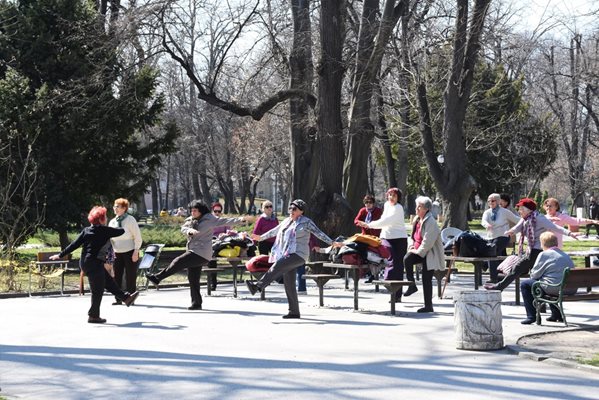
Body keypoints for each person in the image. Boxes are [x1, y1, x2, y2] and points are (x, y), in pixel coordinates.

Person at [146, 200, 252, 310]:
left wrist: (241, 219)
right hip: (193, 250)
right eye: (191, 210)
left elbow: (225, 220)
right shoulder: (191, 220)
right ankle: (196, 303)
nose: (192, 212)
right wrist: (189, 231)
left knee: (178, 261)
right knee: (193, 278)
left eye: (195, 211)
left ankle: (157, 278)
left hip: (202, 253)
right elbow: (183, 228)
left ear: (201, 211)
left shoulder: (210, 219)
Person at [246, 199, 342, 319]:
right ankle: (294, 312)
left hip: (299, 254)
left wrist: (332, 242)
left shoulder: (306, 222)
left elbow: (319, 233)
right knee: (289, 284)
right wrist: (261, 238)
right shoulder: (287, 221)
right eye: (290, 208)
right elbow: (275, 231)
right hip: (287, 253)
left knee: (277, 266)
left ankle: (258, 286)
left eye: (294, 209)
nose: (291, 210)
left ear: (301, 211)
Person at [50, 206, 139, 323]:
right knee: (97, 290)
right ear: (101, 220)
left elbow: (74, 245)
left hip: (86, 263)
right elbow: (121, 231)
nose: (107, 218)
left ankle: (126, 298)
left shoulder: (86, 231)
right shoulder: (105, 230)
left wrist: (60, 255)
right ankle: (93, 316)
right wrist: (122, 222)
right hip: (94, 264)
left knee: (109, 282)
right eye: (105, 217)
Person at [484, 198, 577, 292]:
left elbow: (554, 227)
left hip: (538, 250)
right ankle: (534, 295)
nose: (519, 211)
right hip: (530, 249)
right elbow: (518, 227)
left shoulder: (539, 218)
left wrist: (570, 233)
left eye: (521, 209)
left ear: (528, 210)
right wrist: (511, 231)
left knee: (517, 268)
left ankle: (499, 287)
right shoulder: (525, 218)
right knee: (522, 270)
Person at [356, 188, 408, 301]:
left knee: (398, 266)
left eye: (394, 196)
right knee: (390, 259)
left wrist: (369, 225)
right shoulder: (387, 205)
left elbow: (387, 221)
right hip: (386, 237)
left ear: (398, 197)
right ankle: (388, 280)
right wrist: (368, 225)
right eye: (389, 195)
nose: (391, 198)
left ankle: (396, 295)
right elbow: (383, 220)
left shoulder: (398, 208)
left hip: (399, 239)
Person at [520, 232, 576, 324]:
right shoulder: (565, 255)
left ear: (542, 243)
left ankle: (531, 316)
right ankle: (556, 315)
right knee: (549, 280)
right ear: (556, 243)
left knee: (525, 284)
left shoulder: (544, 254)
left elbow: (534, 275)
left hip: (556, 288)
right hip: (570, 288)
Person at [401, 196, 445, 313]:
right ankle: (412, 285)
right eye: (417, 206)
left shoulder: (431, 222)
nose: (416, 208)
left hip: (429, 253)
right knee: (407, 259)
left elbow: (428, 242)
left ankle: (428, 306)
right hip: (418, 250)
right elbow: (412, 236)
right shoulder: (417, 219)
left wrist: (418, 251)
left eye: (419, 207)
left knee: (427, 279)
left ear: (426, 209)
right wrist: (411, 247)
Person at [109, 198, 143, 305]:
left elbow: (137, 236)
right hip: (117, 252)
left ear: (124, 208)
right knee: (117, 276)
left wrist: (136, 251)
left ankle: (131, 297)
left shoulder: (130, 219)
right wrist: (111, 253)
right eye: (114, 206)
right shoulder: (112, 221)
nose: (115, 208)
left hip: (130, 251)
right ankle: (118, 298)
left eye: (118, 206)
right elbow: (110, 238)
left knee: (130, 275)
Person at [481, 193, 520, 283]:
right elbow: (483, 221)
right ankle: (494, 276)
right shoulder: (487, 212)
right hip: (490, 237)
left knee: (491, 254)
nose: (491, 202)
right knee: (492, 256)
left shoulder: (504, 211)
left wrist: (527, 220)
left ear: (498, 201)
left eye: (493, 200)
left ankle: (486, 267)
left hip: (503, 236)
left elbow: (516, 219)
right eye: (489, 201)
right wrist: (487, 225)